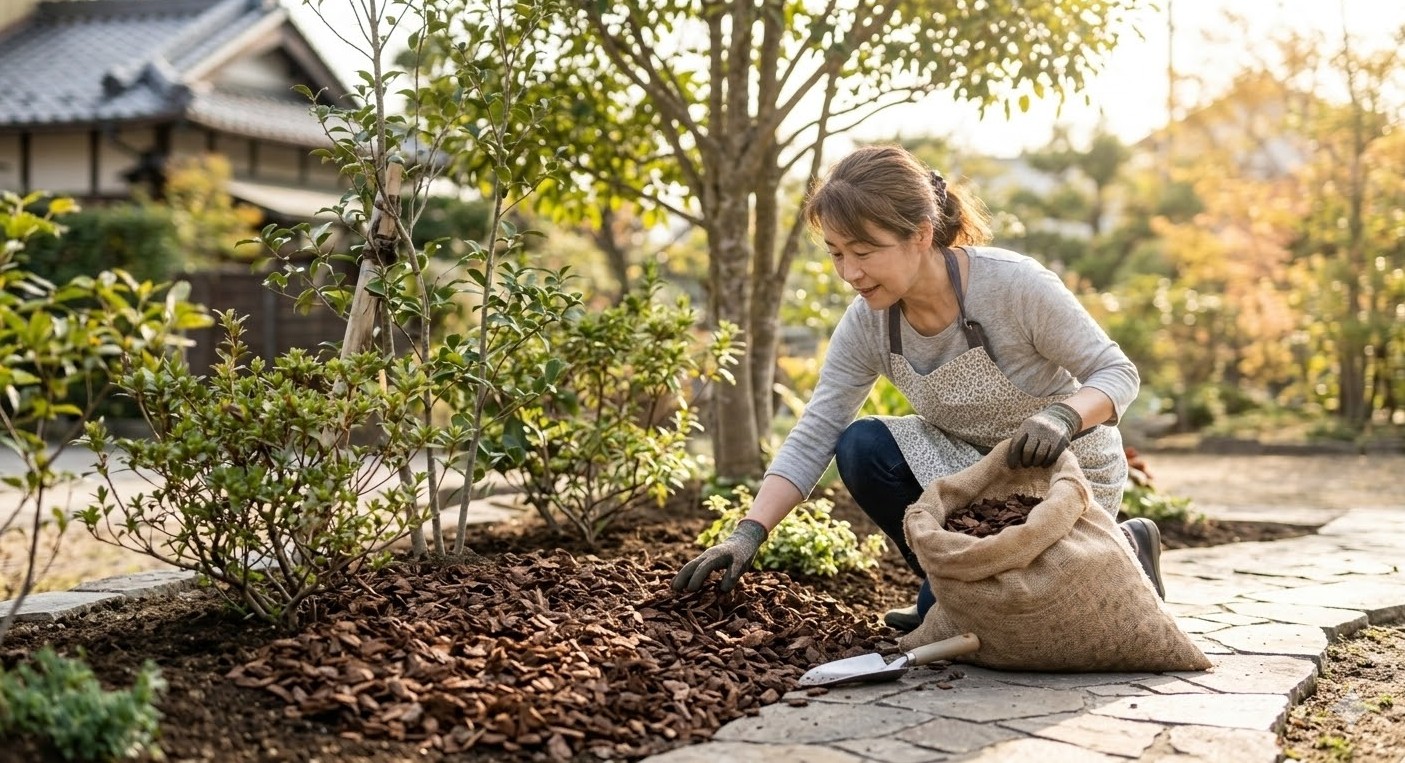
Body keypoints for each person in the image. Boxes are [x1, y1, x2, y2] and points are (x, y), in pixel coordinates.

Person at [671, 144, 1164, 631]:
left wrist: (1063, 415)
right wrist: (748, 532)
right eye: (837, 254)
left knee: (1041, 613)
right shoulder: (867, 323)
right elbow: (817, 429)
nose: (850, 273)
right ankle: (948, 590)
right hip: (967, 472)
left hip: (1064, 471)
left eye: (864, 252)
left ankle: (1125, 543)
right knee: (862, 446)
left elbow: (1118, 373)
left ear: (921, 235)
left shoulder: (1014, 286)